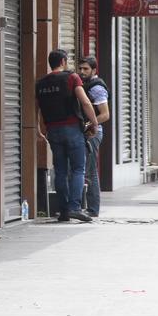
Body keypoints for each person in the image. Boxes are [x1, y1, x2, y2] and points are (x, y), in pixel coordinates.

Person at [36, 49, 99, 223]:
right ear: (63, 61)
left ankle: (63, 211)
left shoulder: (40, 83)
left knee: (61, 171)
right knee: (78, 169)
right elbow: (85, 102)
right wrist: (94, 123)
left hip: (53, 131)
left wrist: (37, 129)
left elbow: (37, 108)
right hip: (72, 128)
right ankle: (74, 207)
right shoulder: (72, 78)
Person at [78, 57, 110, 218]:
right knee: (83, 170)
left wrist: (89, 124)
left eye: (86, 69)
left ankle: (92, 208)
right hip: (86, 132)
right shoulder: (84, 86)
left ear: (94, 70)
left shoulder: (96, 88)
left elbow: (105, 114)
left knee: (90, 171)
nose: (82, 72)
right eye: (81, 69)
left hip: (93, 133)